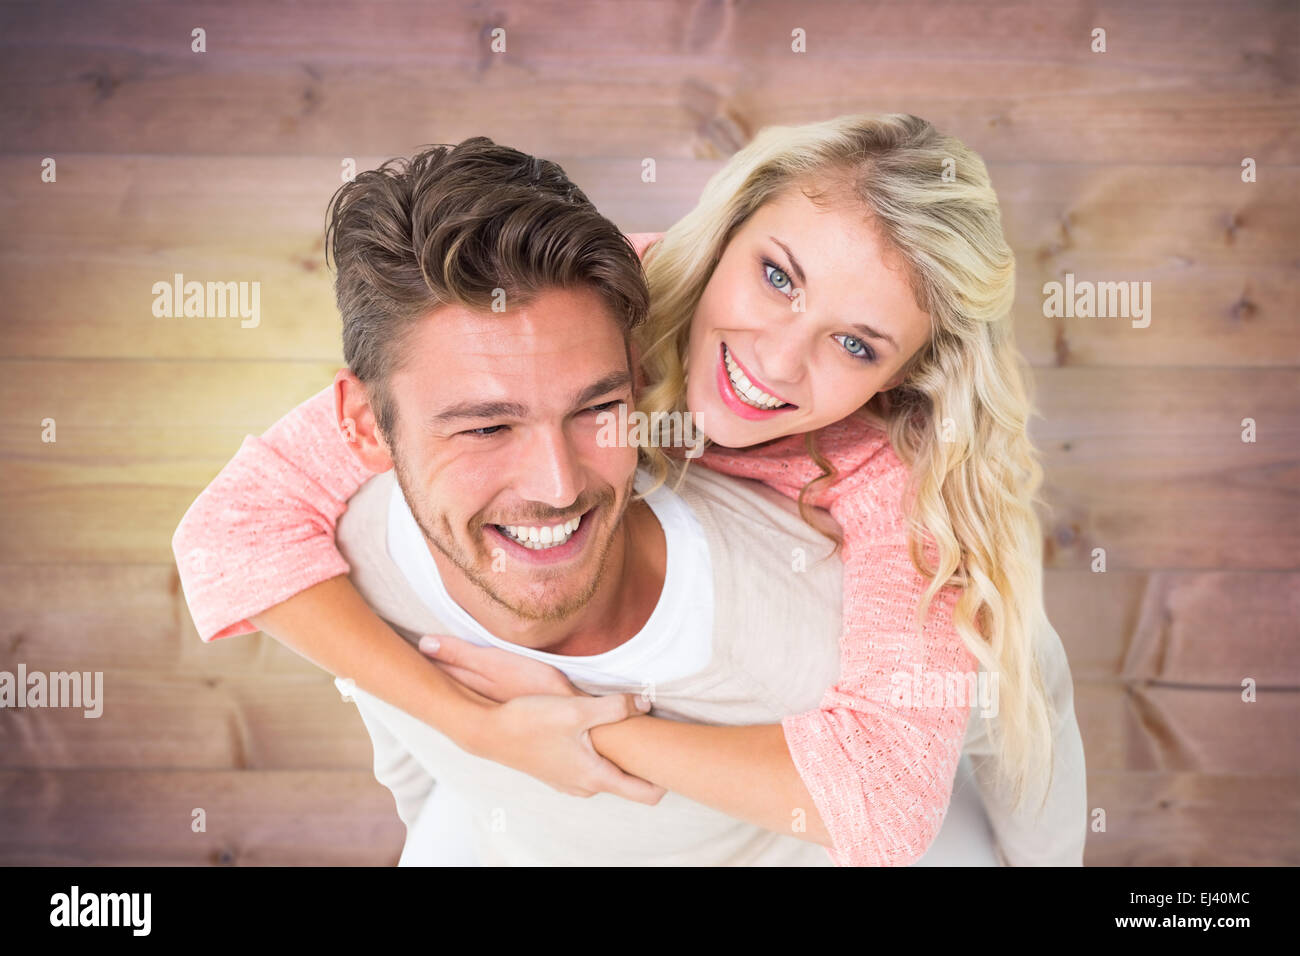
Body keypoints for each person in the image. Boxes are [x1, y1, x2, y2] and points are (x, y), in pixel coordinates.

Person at [173, 116, 1086, 865]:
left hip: (899, 707)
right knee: (399, 525)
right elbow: (232, 529)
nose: (774, 357)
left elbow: (882, 810)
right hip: (491, 776)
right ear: (725, 231)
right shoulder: (584, 307)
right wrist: (476, 729)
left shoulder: (894, 472)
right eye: (777, 278)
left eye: (857, 344)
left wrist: (587, 730)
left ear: (901, 375)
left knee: (1018, 656)